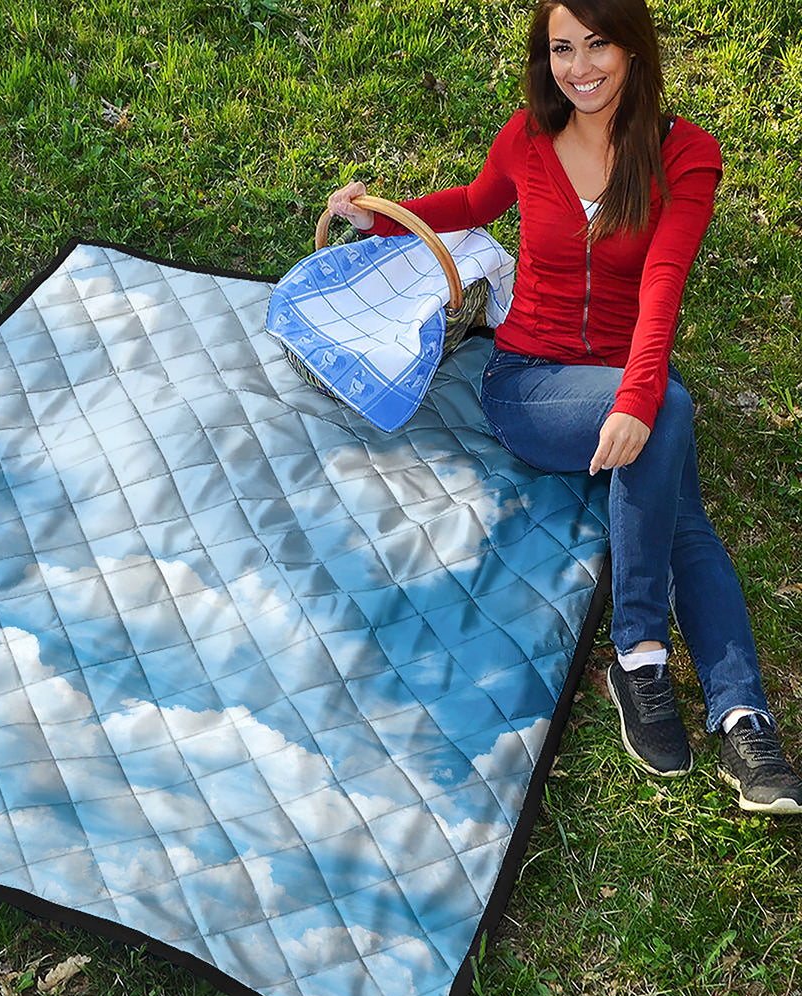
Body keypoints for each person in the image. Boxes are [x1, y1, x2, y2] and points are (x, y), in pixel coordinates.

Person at [327, 0, 802, 814]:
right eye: (561, 48)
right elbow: (475, 204)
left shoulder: (685, 156)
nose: (579, 67)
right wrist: (381, 221)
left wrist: (638, 396)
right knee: (671, 418)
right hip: (529, 383)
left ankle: (739, 714)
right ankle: (644, 654)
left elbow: (663, 284)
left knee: (677, 483)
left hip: (621, 377)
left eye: (597, 44)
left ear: (633, 48)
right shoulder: (528, 137)